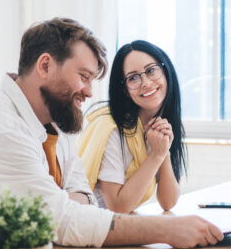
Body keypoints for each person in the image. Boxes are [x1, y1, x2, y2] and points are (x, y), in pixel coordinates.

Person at [0, 18, 222, 249]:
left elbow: (80, 200)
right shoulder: (2, 132)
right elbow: (65, 220)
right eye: (83, 76)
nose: (90, 91)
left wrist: (65, 207)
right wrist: (166, 229)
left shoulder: (57, 124)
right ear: (45, 66)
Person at [77, 40, 186, 213]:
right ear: (125, 89)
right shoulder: (111, 129)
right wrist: (156, 155)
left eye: (151, 71)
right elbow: (118, 207)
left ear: (166, 72)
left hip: (118, 227)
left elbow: (168, 201)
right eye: (133, 77)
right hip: (91, 227)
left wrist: (163, 149)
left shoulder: (161, 126)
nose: (146, 83)